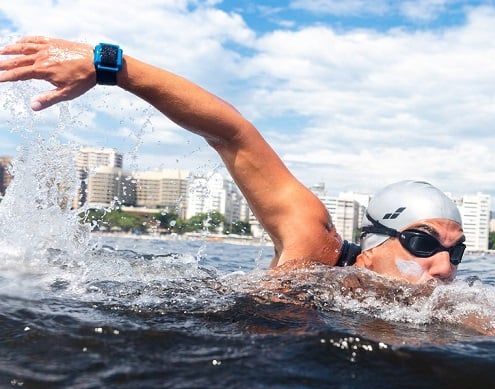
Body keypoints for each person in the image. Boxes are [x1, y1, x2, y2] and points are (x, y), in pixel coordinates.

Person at [0, 36, 465, 284]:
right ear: (373, 244)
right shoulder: (315, 248)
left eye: (455, 253)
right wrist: (110, 65)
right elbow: (232, 134)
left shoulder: (455, 309)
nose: (444, 269)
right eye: (422, 245)